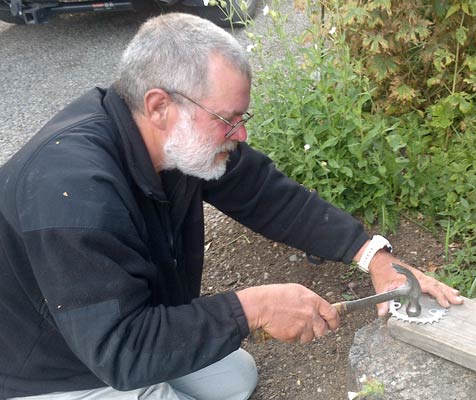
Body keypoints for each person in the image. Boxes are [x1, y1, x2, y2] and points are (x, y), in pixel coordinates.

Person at [0, 12, 463, 400]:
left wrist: (374, 257)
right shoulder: (70, 191)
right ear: (160, 105)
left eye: (242, 118)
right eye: (229, 119)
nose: (240, 134)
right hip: (52, 362)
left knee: (236, 378)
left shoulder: (174, 142)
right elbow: (120, 351)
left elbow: (266, 193)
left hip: (127, 320)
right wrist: (252, 308)